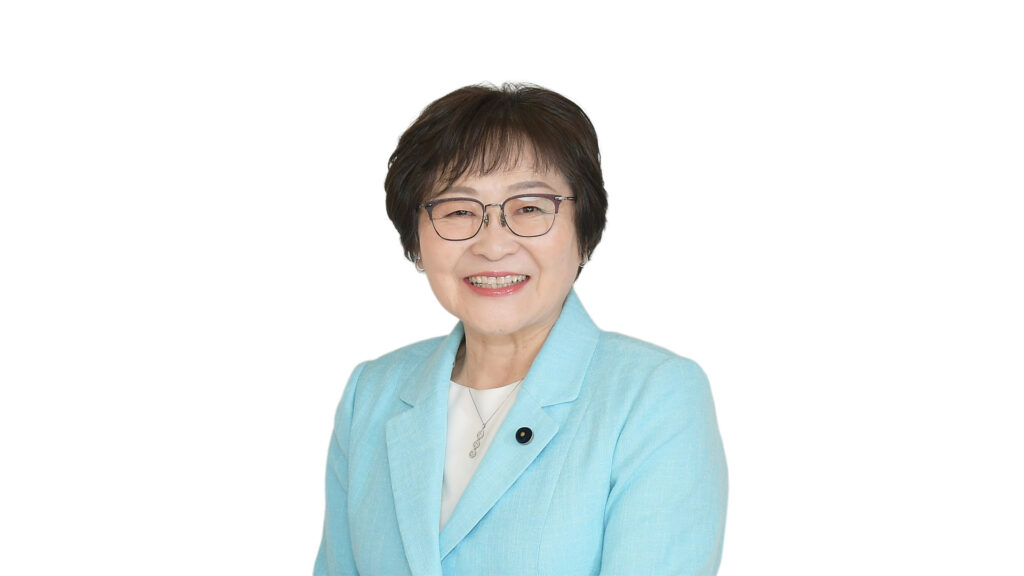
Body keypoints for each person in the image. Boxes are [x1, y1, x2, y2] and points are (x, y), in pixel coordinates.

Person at [314, 83, 727, 575]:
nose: (493, 245)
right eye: (459, 210)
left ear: (584, 232)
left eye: (529, 208)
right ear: (417, 240)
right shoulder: (371, 395)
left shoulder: (654, 396)